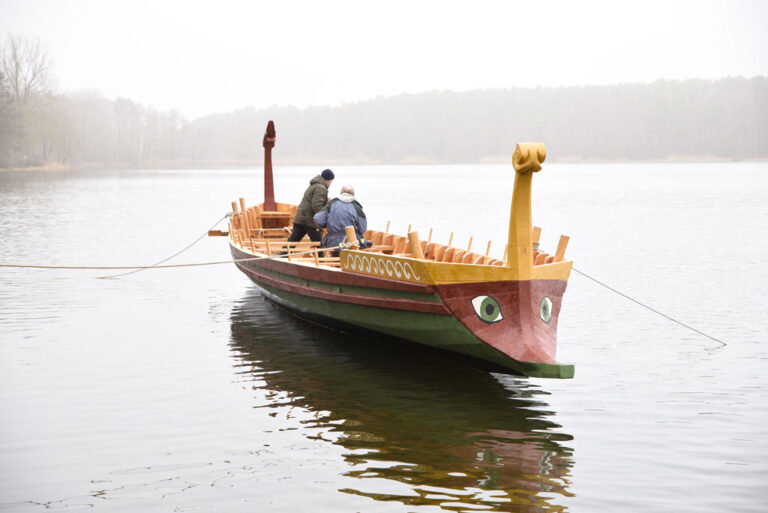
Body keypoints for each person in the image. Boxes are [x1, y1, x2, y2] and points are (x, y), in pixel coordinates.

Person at [313, 185, 368, 256]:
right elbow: (362, 228)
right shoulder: (356, 207)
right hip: (351, 242)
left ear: (341, 193)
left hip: (332, 241)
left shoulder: (332, 204)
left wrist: (328, 225)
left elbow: (318, 219)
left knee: (335, 258)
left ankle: (334, 265)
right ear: (353, 194)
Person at [287, 169, 334, 242]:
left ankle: (283, 253)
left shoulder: (314, 185)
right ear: (328, 180)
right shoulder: (321, 188)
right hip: (310, 222)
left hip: (301, 218)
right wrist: (323, 218)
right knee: (319, 244)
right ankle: (319, 254)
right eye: (331, 181)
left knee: (292, 241)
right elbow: (316, 205)